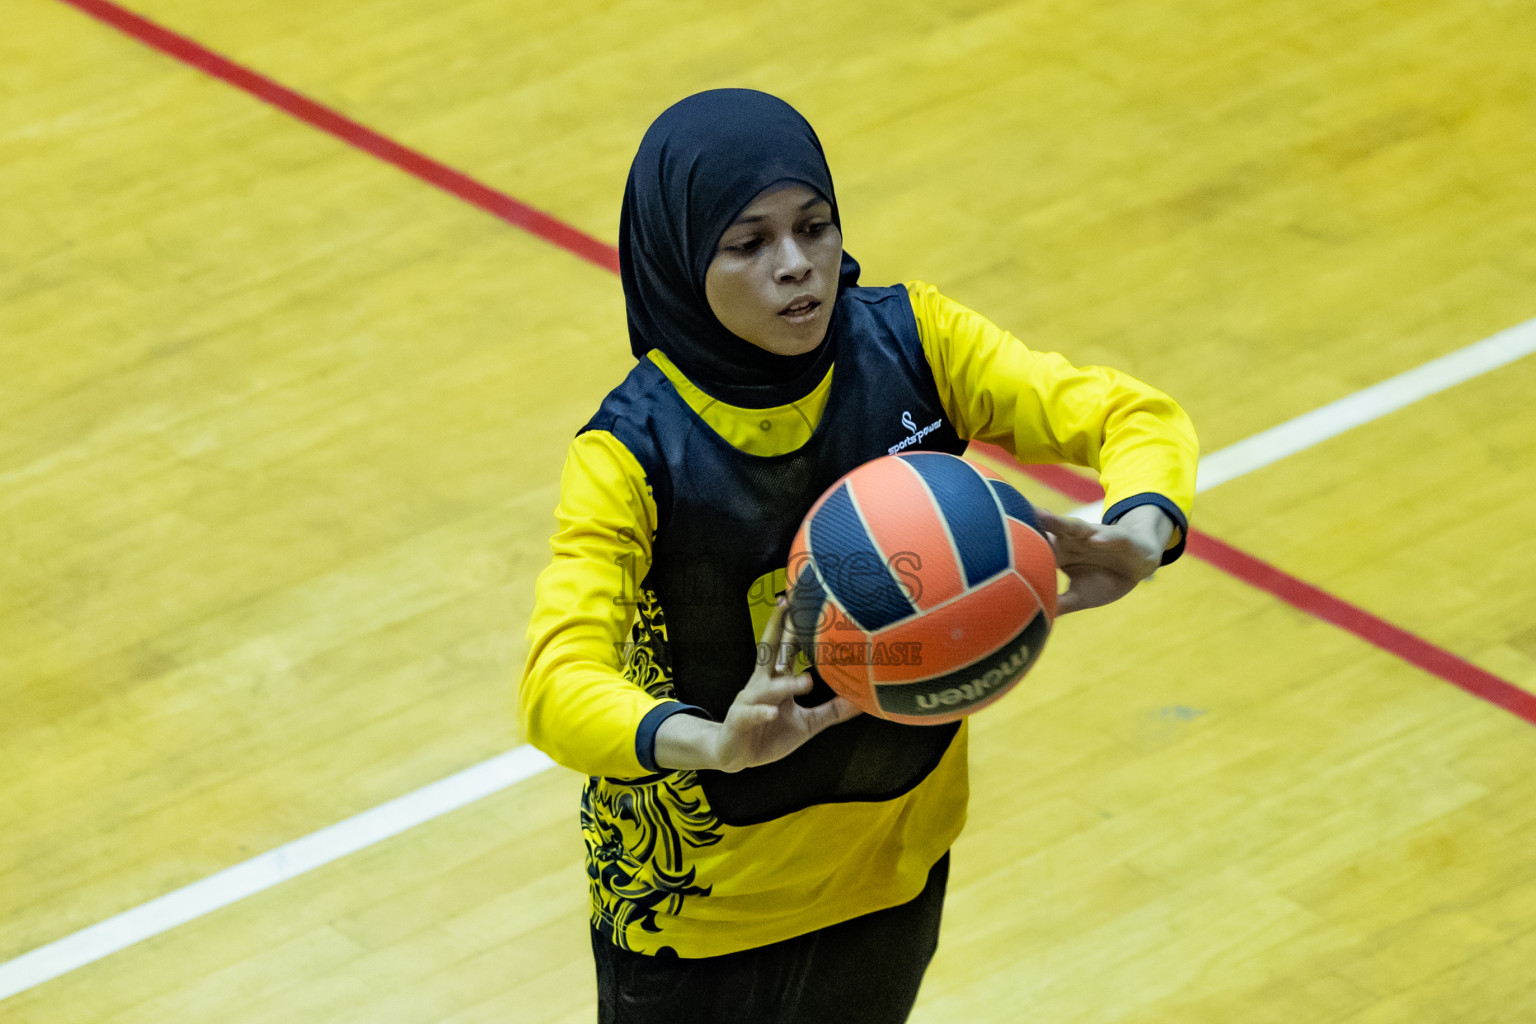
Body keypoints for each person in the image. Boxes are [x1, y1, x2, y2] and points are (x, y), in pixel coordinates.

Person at [519, 89, 1198, 1024]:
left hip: (894, 866)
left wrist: (1142, 532)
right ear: (680, 259)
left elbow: (1131, 416)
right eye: (747, 244)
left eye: (815, 227)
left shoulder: (914, 341)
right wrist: (712, 743)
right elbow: (555, 684)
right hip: (702, 911)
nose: (797, 267)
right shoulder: (631, 453)